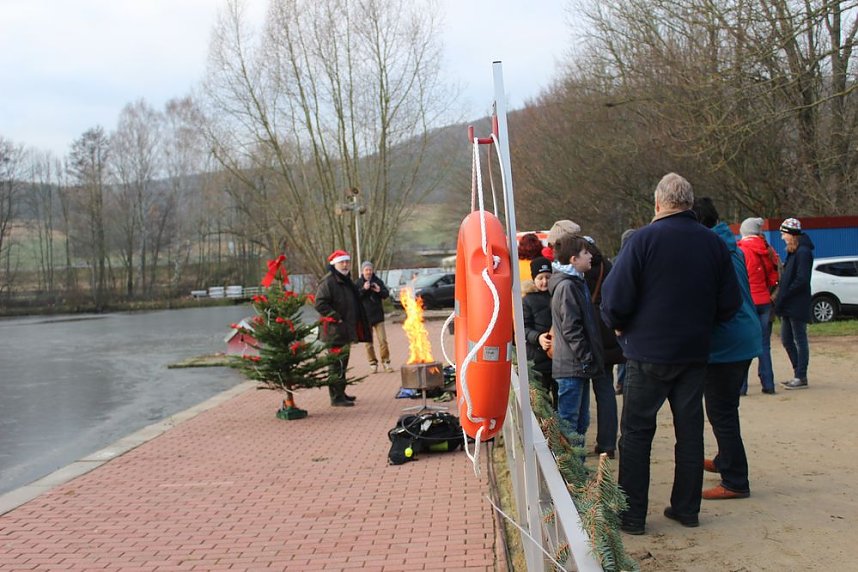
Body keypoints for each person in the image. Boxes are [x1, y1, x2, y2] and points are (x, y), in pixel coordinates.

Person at [600, 173, 741, 535]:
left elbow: (613, 300)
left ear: (658, 204)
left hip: (647, 353)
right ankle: (686, 508)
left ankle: (632, 516)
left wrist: (618, 325)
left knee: (635, 434)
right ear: (690, 203)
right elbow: (730, 303)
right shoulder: (712, 244)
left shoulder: (642, 240)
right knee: (689, 432)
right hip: (694, 353)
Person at [692, 198, 762, 501]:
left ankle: (736, 480)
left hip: (729, 343)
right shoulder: (726, 244)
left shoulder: (713, 251)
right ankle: (725, 461)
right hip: (742, 337)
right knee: (725, 407)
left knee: (721, 411)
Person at [548, 234, 604, 443]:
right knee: (570, 423)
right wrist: (586, 356)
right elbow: (572, 328)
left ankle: (577, 471)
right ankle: (570, 473)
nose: (590, 256)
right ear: (573, 259)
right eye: (585, 252)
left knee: (580, 422)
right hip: (572, 365)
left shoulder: (575, 283)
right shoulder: (567, 286)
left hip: (577, 365)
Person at [314, 250, 371, 407]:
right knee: (335, 365)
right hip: (334, 331)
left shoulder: (346, 281)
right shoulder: (328, 282)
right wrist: (336, 317)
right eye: (342, 262)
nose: (345, 265)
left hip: (345, 330)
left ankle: (341, 392)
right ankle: (336, 397)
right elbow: (319, 303)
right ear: (335, 264)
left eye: (347, 262)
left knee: (342, 364)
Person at [581, 236, 621, 459]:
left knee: (581, 389)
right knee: (605, 389)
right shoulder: (607, 264)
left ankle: (581, 441)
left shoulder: (579, 268)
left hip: (588, 330)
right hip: (606, 328)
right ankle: (607, 443)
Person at [737, 217, 780, 395]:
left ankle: (742, 387)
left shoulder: (741, 251)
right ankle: (768, 384)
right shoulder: (768, 250)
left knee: (744, 345)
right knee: (764, 345)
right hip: (765, 301)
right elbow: (775, 276)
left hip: (748, 302)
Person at [775, 218, 815, 390]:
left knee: (800, 339)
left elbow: (802, 279)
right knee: (786, 339)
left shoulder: (803, 252)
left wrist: (786, 293)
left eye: (784, 234)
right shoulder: (794, 251)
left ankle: (801, 375)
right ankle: (797, 372)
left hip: (797, 303)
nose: (782, 237)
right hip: (788, 304)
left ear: (792, 235)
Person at [523, 256, 557, 408]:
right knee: (542, 403)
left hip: (557, 358)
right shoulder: (527, 300)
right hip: (537, 358)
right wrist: (538, 338)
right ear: (533, 279)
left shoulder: (558, 294)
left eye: (548, 277)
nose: (544, 281)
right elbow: (524, 328)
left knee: (560, 400)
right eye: (540, 278)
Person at [355, 261, 393, 374]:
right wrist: (363, 289)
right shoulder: (358, 283)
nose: (368, 272)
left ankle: (386, 362)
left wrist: (379, 291)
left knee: (383, 341)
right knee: (368, 343)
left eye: (370, 270)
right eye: (366, 270)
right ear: (362, 271)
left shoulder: (378, 281)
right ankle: (373, 363)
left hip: (378, 316)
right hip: (365, 317)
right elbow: (355, 297)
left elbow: (386, 295)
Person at [613, 228, 638, 396]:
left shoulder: (617, 262)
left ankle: (622, 382)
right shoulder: (641, 260)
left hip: (623, 315)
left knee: (624, 352)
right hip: (634, 315)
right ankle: (625, 382)